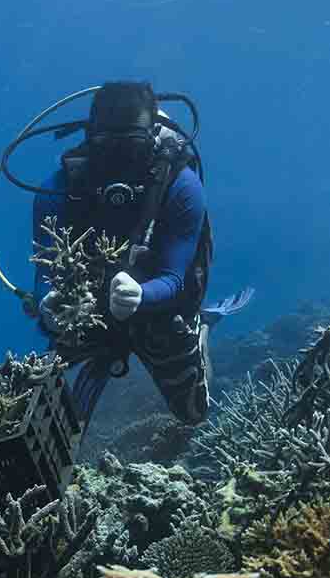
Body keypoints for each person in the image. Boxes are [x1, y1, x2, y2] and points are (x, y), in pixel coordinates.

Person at [28, 80, 251, 425]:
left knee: (193, 415)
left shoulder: (181, 185)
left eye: (130, 145)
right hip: (89, 306)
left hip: (159, 305)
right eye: (106, 145)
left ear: (150, 138)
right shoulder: (59, 190)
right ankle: (104, 349)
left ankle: (200, 326)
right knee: (36, 388)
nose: (118, 158)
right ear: (90, 138)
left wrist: (141, 296)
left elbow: (176, 277)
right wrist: (49, 300)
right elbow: (44, 269)